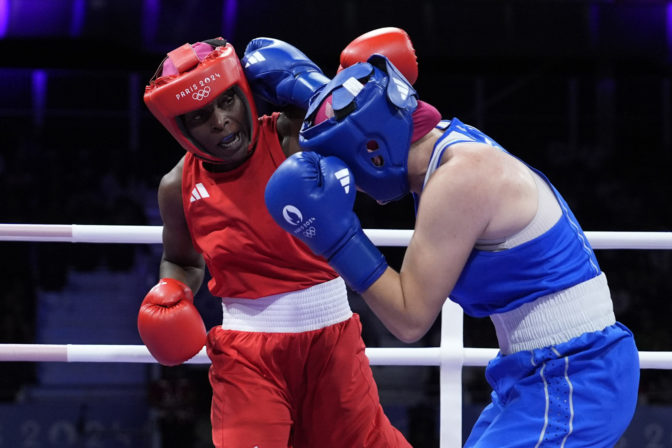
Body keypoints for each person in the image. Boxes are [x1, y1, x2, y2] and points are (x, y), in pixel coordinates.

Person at [264, 54, 640, 447]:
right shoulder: (445, 146)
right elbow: (361, 108)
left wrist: (336, 239)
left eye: (348, 172)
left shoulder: (459, 179)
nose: (351, 188)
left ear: (372, 152)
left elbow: (410, 319)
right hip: (540, 369)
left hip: (575, 374)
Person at [137, 33, 415, 447]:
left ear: (245, 93)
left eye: (226, 101)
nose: (219, 121)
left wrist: (318, 87)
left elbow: (377, 151)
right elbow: (184, 260)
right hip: (247, 356)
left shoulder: (291, 136)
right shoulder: (177, 186)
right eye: (198, 116)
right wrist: (173, 289)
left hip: (331, 339)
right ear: (179, 128)